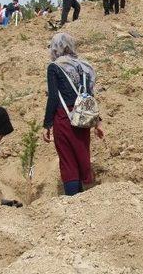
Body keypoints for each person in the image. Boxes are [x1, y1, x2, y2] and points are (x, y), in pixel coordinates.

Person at [42, 33, 104, 196]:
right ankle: (85, 199)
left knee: (68, 160)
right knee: (82, 156)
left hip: (64, 117)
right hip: (83, 117)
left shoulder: (55, 67)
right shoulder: (86, 67)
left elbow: (54, 97)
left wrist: (47, 125)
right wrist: (97, 122)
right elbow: (89, 97)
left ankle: (73, 201)